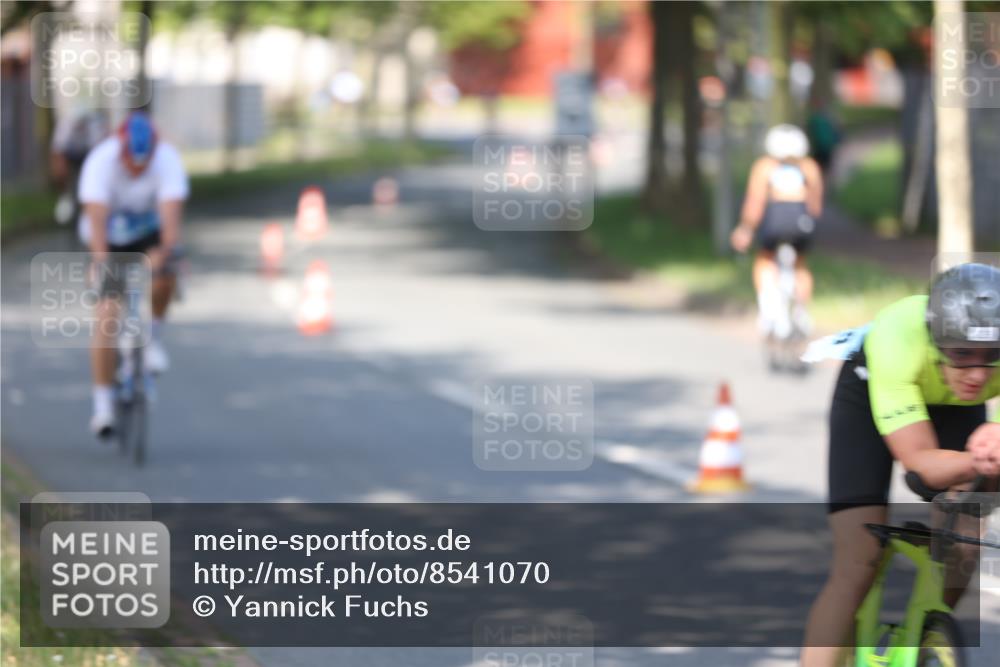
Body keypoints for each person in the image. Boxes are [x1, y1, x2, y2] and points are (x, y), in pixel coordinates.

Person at [800, 263, 1000, 666]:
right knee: (859, 560)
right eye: (962, 354)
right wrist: (981, 457)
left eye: (991, 355)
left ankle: (928, 632)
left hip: (953, 406)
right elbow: (920, 466)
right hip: (875, 391)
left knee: (965, 546)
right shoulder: (898, 336)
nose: (977, 373)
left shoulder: (972, 373)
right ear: (935, 339)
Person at [78, 111, 189, 437]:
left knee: (166, 273)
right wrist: (101, 265)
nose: (138, 169)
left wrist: (165, 256)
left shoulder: (168, 160)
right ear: (120, 150)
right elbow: (97, 228)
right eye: (132, 163)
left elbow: (171, 226)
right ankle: (102, 407)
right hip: (108, 236)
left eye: (145, 163)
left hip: (148, 233)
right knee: (107, 314)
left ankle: (152, 336)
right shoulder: (100, 163)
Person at [730, 124, 823, 337]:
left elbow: (756, 201)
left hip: (775, 221)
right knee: (800, 264)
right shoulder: (809, 167)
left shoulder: (765, 166)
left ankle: (768, 310)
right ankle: (801, 311)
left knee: (765, 259)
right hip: (802, 222)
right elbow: (815, 205)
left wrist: (745, 229)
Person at [50, 107, 109, 224]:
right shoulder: (65, 126)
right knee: (63, 172)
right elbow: (58, 151)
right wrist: (61, 174)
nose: (80, 126)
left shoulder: (93, 126)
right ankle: (66, 197)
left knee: (90, 177)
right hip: (70, 154)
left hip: (88, 153)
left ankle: (87, 207)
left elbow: (97, 155)